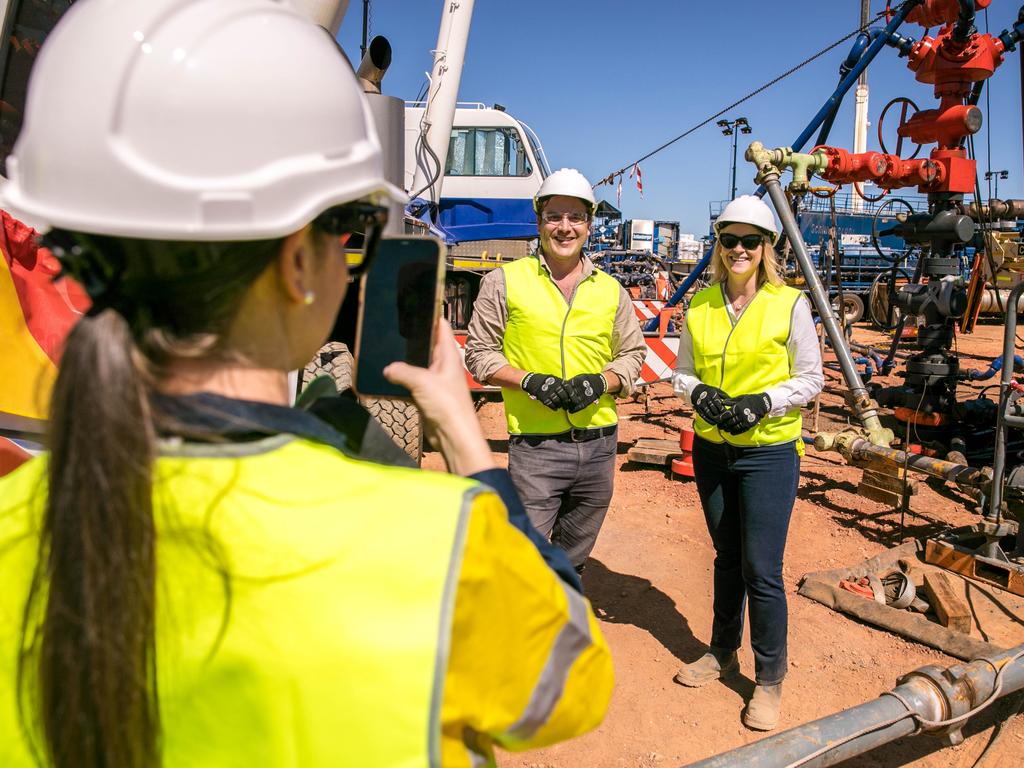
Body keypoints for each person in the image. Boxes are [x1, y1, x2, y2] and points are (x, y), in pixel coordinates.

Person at [0, 2, 613, 766]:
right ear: (297, 262)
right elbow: (574, 683)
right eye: (351, 229)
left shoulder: (16, 522)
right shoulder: (441, 547)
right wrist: (460, 429)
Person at [670, 195, 823, 731]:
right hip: (713, 449)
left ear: (766, 248)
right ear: (719, 244)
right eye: (730, 239)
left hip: (769, 453)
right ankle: (720, 651)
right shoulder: (701, 305)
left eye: (750, 241)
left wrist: (764, 402)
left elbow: (810, 377)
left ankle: (770, 681)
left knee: (762, 568)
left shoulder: (789, 304)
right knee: (726, 556)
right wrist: (700, 395)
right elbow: (681, 371)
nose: (739, 249)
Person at [464, 168, 646, 575]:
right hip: (536, 450)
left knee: (571, 562)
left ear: (589, 224)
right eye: (555, 217)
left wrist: (603, 381)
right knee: (525, 560)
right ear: (540, 220)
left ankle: (560, 630)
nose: (565, 227)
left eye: (575, 218)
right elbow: (478, 354)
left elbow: (633, 354)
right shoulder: (503, 282)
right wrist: (529, 380)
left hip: (599, 448)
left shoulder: (610, 290)